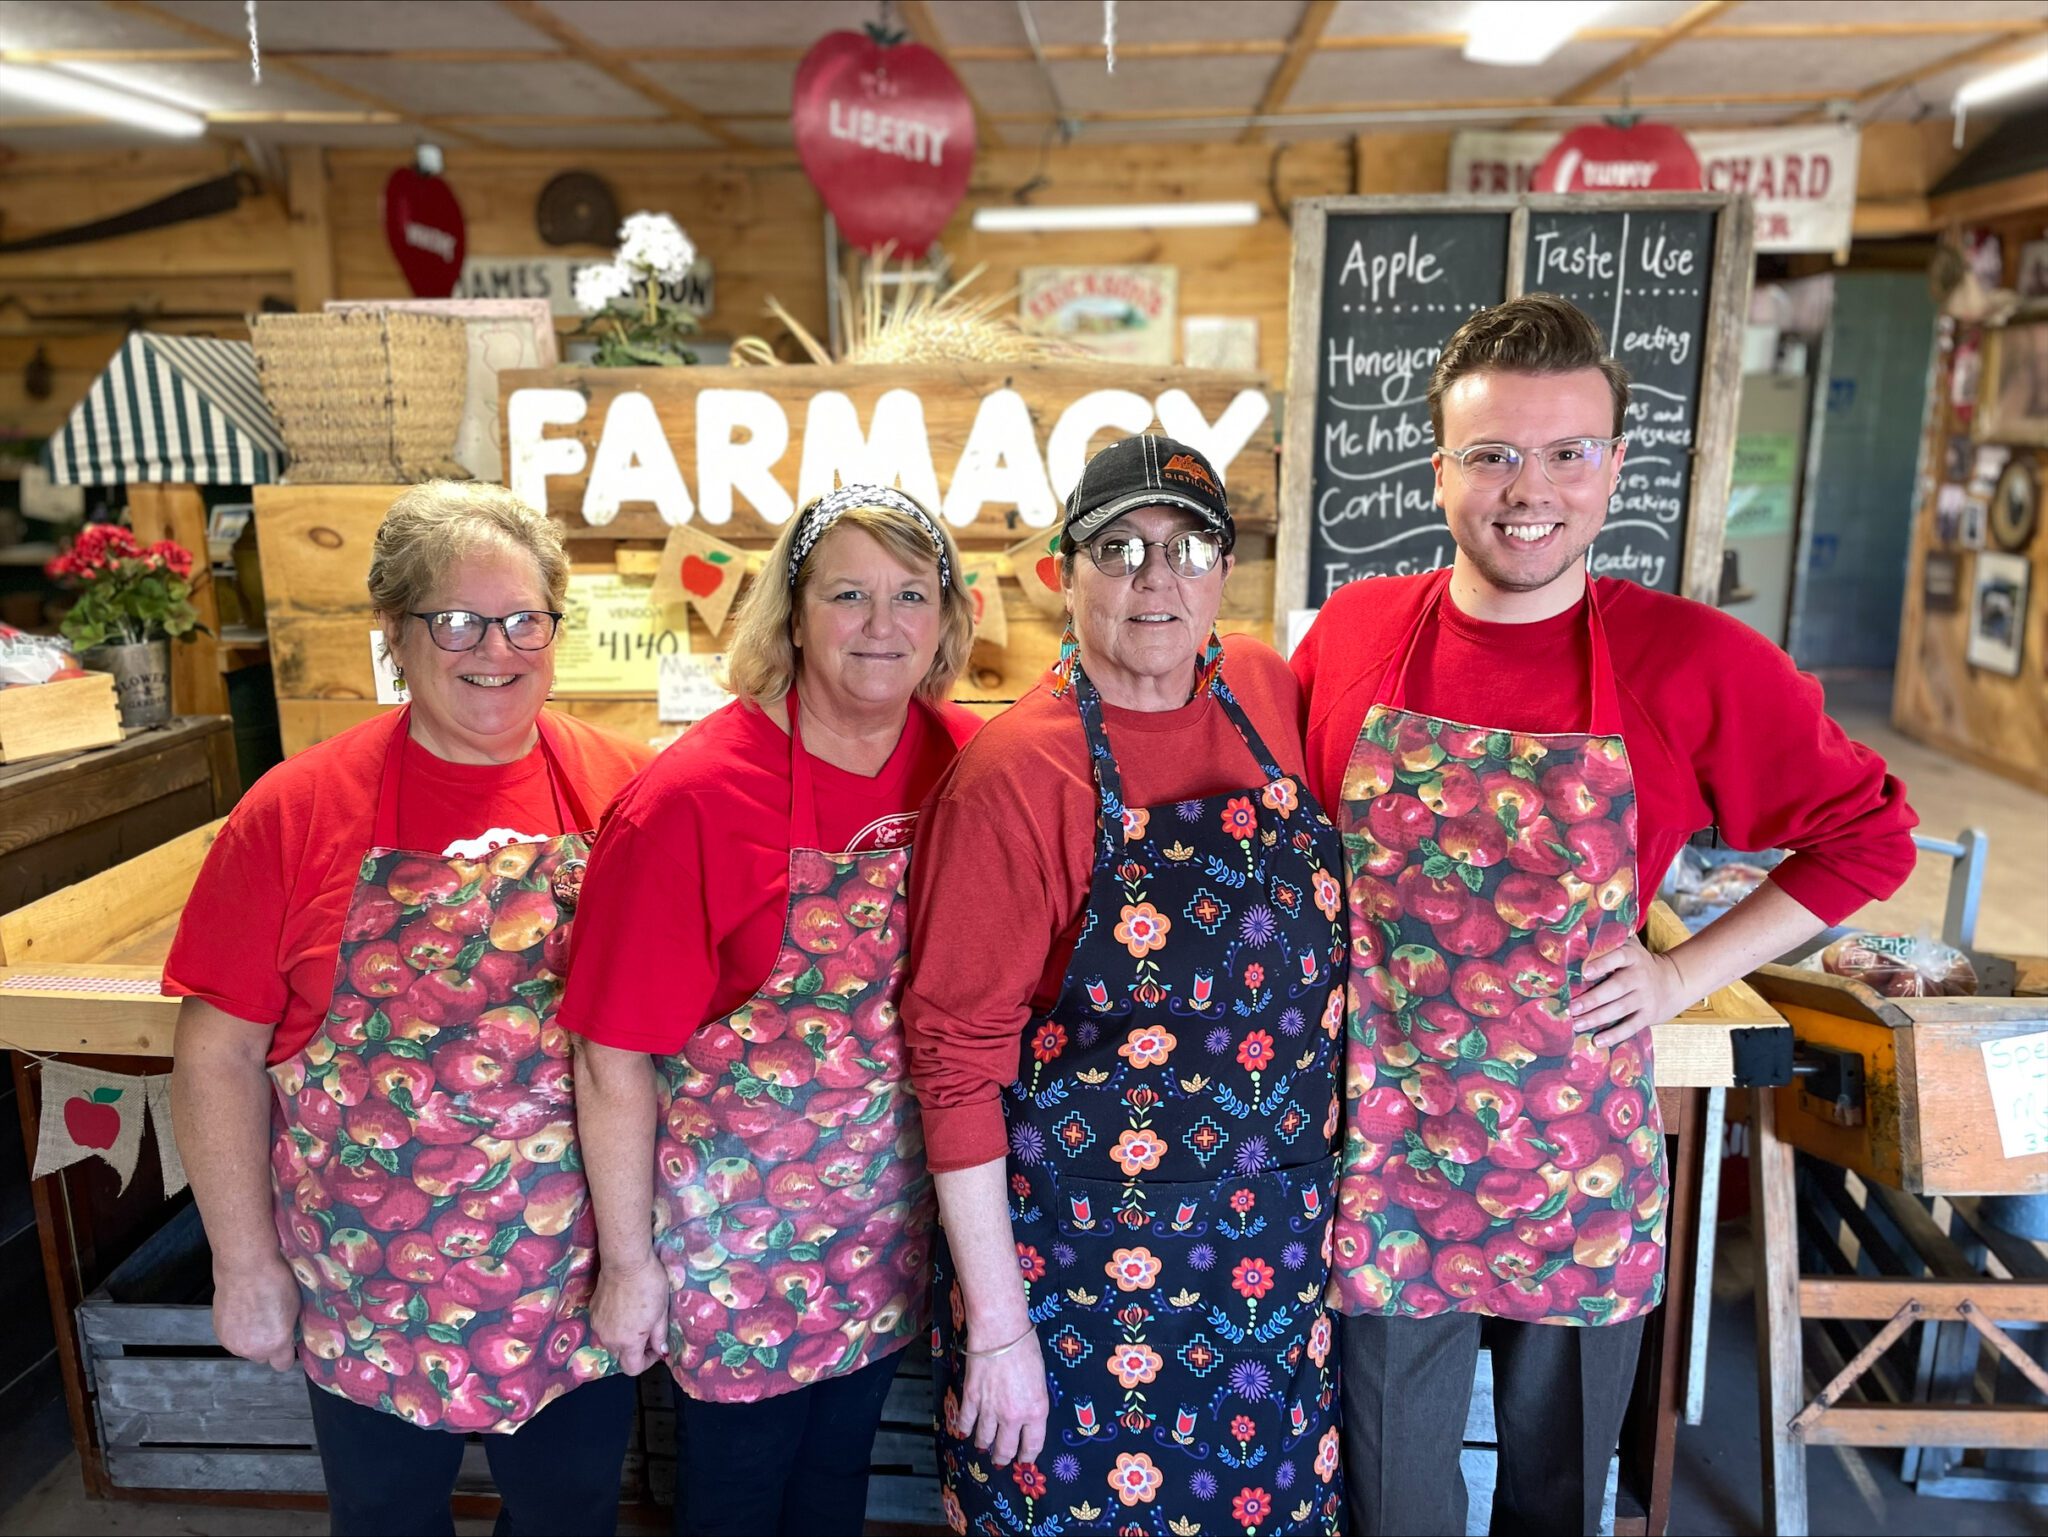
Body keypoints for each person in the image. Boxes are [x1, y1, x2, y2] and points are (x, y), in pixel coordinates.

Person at [1292, 294, 1919, 1536]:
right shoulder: (1353, 633)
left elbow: (1870, 834)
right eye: (1492, 454)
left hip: (1570, 1155)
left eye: (1567, 452)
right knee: (1386, 1500)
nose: (1529, 489)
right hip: (1378, 1155)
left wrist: (1684, 977)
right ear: (1439, 470)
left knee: (1555, 1494)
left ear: (1613, 467)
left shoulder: (1694, 661)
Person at [167, 482, 654, 1536]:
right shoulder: (292, 812)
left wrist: (643, 1260)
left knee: (569, 1517)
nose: (498, 647)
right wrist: (244, 1264)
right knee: (384, 1516)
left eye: (525, 617)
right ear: (393, 633)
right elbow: (213, 1057)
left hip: (572, 1278)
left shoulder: (625, 792)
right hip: (368, 1281)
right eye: (457, 620)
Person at [905, 436, 1349, 1537]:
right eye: (1119, 548)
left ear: (1225, 573)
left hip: (1269, 1266)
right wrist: (1000, 1332)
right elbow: (952, 1065)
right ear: (1063, 572)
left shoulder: (1261, 690)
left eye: (1188, 545)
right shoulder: (1016, 776)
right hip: (1083, 1283)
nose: (1155, 577)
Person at [563, 484, 980, 1537]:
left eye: (909, 595)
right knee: (736, 1500)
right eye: (847, 594)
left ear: (947, 620)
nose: (881, 626)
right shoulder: (689, 801)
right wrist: (627, 1266)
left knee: (835, 1477)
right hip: (736, 1249)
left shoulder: (969, 767)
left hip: (884, 1226)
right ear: (790, 615)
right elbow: (610, 1056)